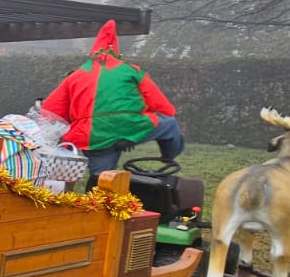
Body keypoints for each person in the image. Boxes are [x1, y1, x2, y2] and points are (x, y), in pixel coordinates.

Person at [41, 19, 183, 177]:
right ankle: (168, 158)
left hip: (92, 135)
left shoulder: (76, 76)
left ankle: (98, 190)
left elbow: (50, 110)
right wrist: (131, 132)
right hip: (131, 126)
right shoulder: (130, 70)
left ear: (92, 52)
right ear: (116, 52)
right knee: (170, 124)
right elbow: (161, 104)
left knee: (102, 179)